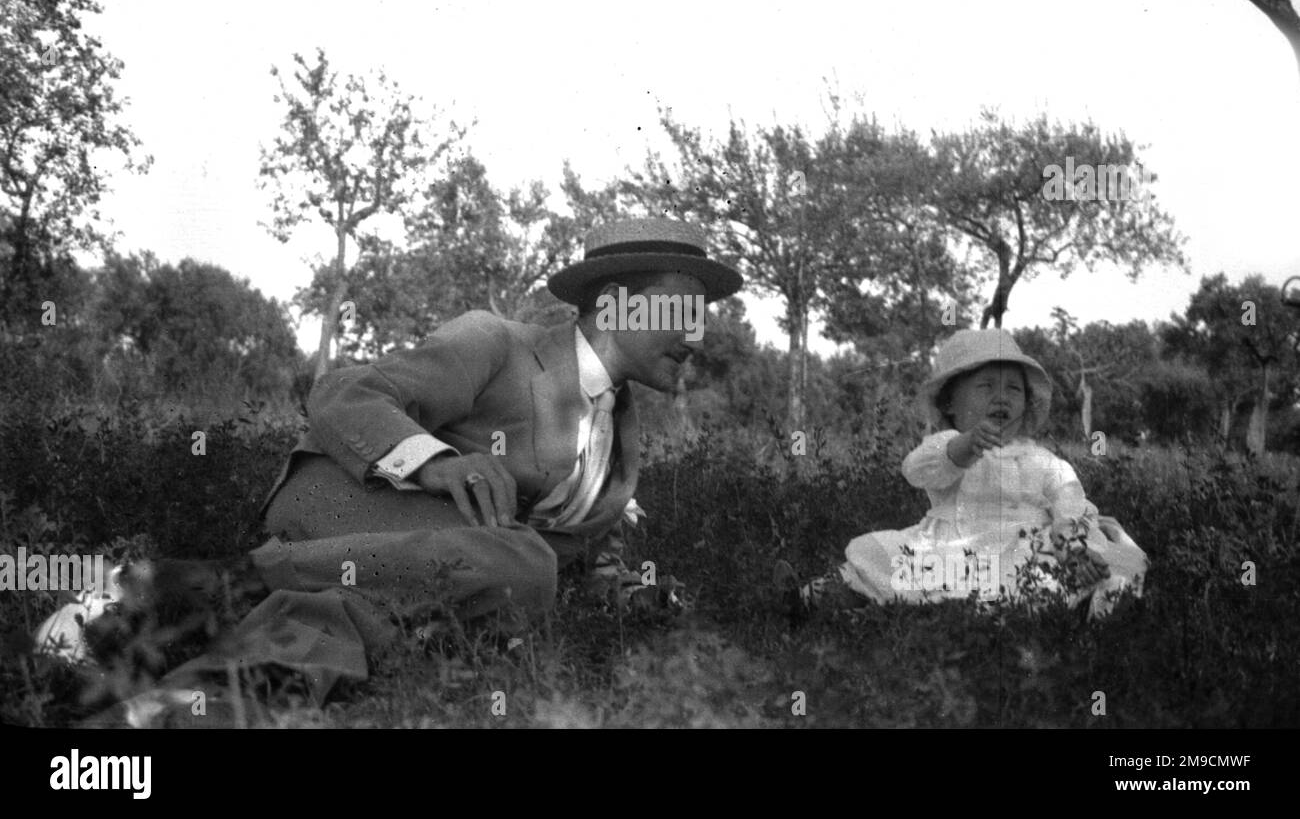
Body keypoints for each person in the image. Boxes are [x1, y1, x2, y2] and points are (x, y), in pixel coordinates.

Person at [36, 217, 743, 709]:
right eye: (681, 309)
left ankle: (156, 696)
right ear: (616, 305)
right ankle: (170, 588)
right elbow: (345, 394)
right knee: (522, 564)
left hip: (423, 581)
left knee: (352, 629)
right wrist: (435, 462)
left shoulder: (622, 439)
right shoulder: (495, 342)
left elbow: (578, 561)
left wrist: (644, 601)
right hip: (339, 509)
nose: (697, 334)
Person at [780, 329, 1147, 620]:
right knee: (880, 555)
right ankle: (808, 600)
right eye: (985, 387)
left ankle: (1093, 611)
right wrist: (965, 447)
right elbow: (917, 470)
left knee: (1052, 579)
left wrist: (1073, 548)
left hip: (1023, 553)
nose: (1001, 398)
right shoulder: (950, 444)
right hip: (948, 550)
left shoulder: (1044, 461)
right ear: (950, 404)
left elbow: (1070, 504)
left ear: (1027, 404)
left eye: (1013, 389)